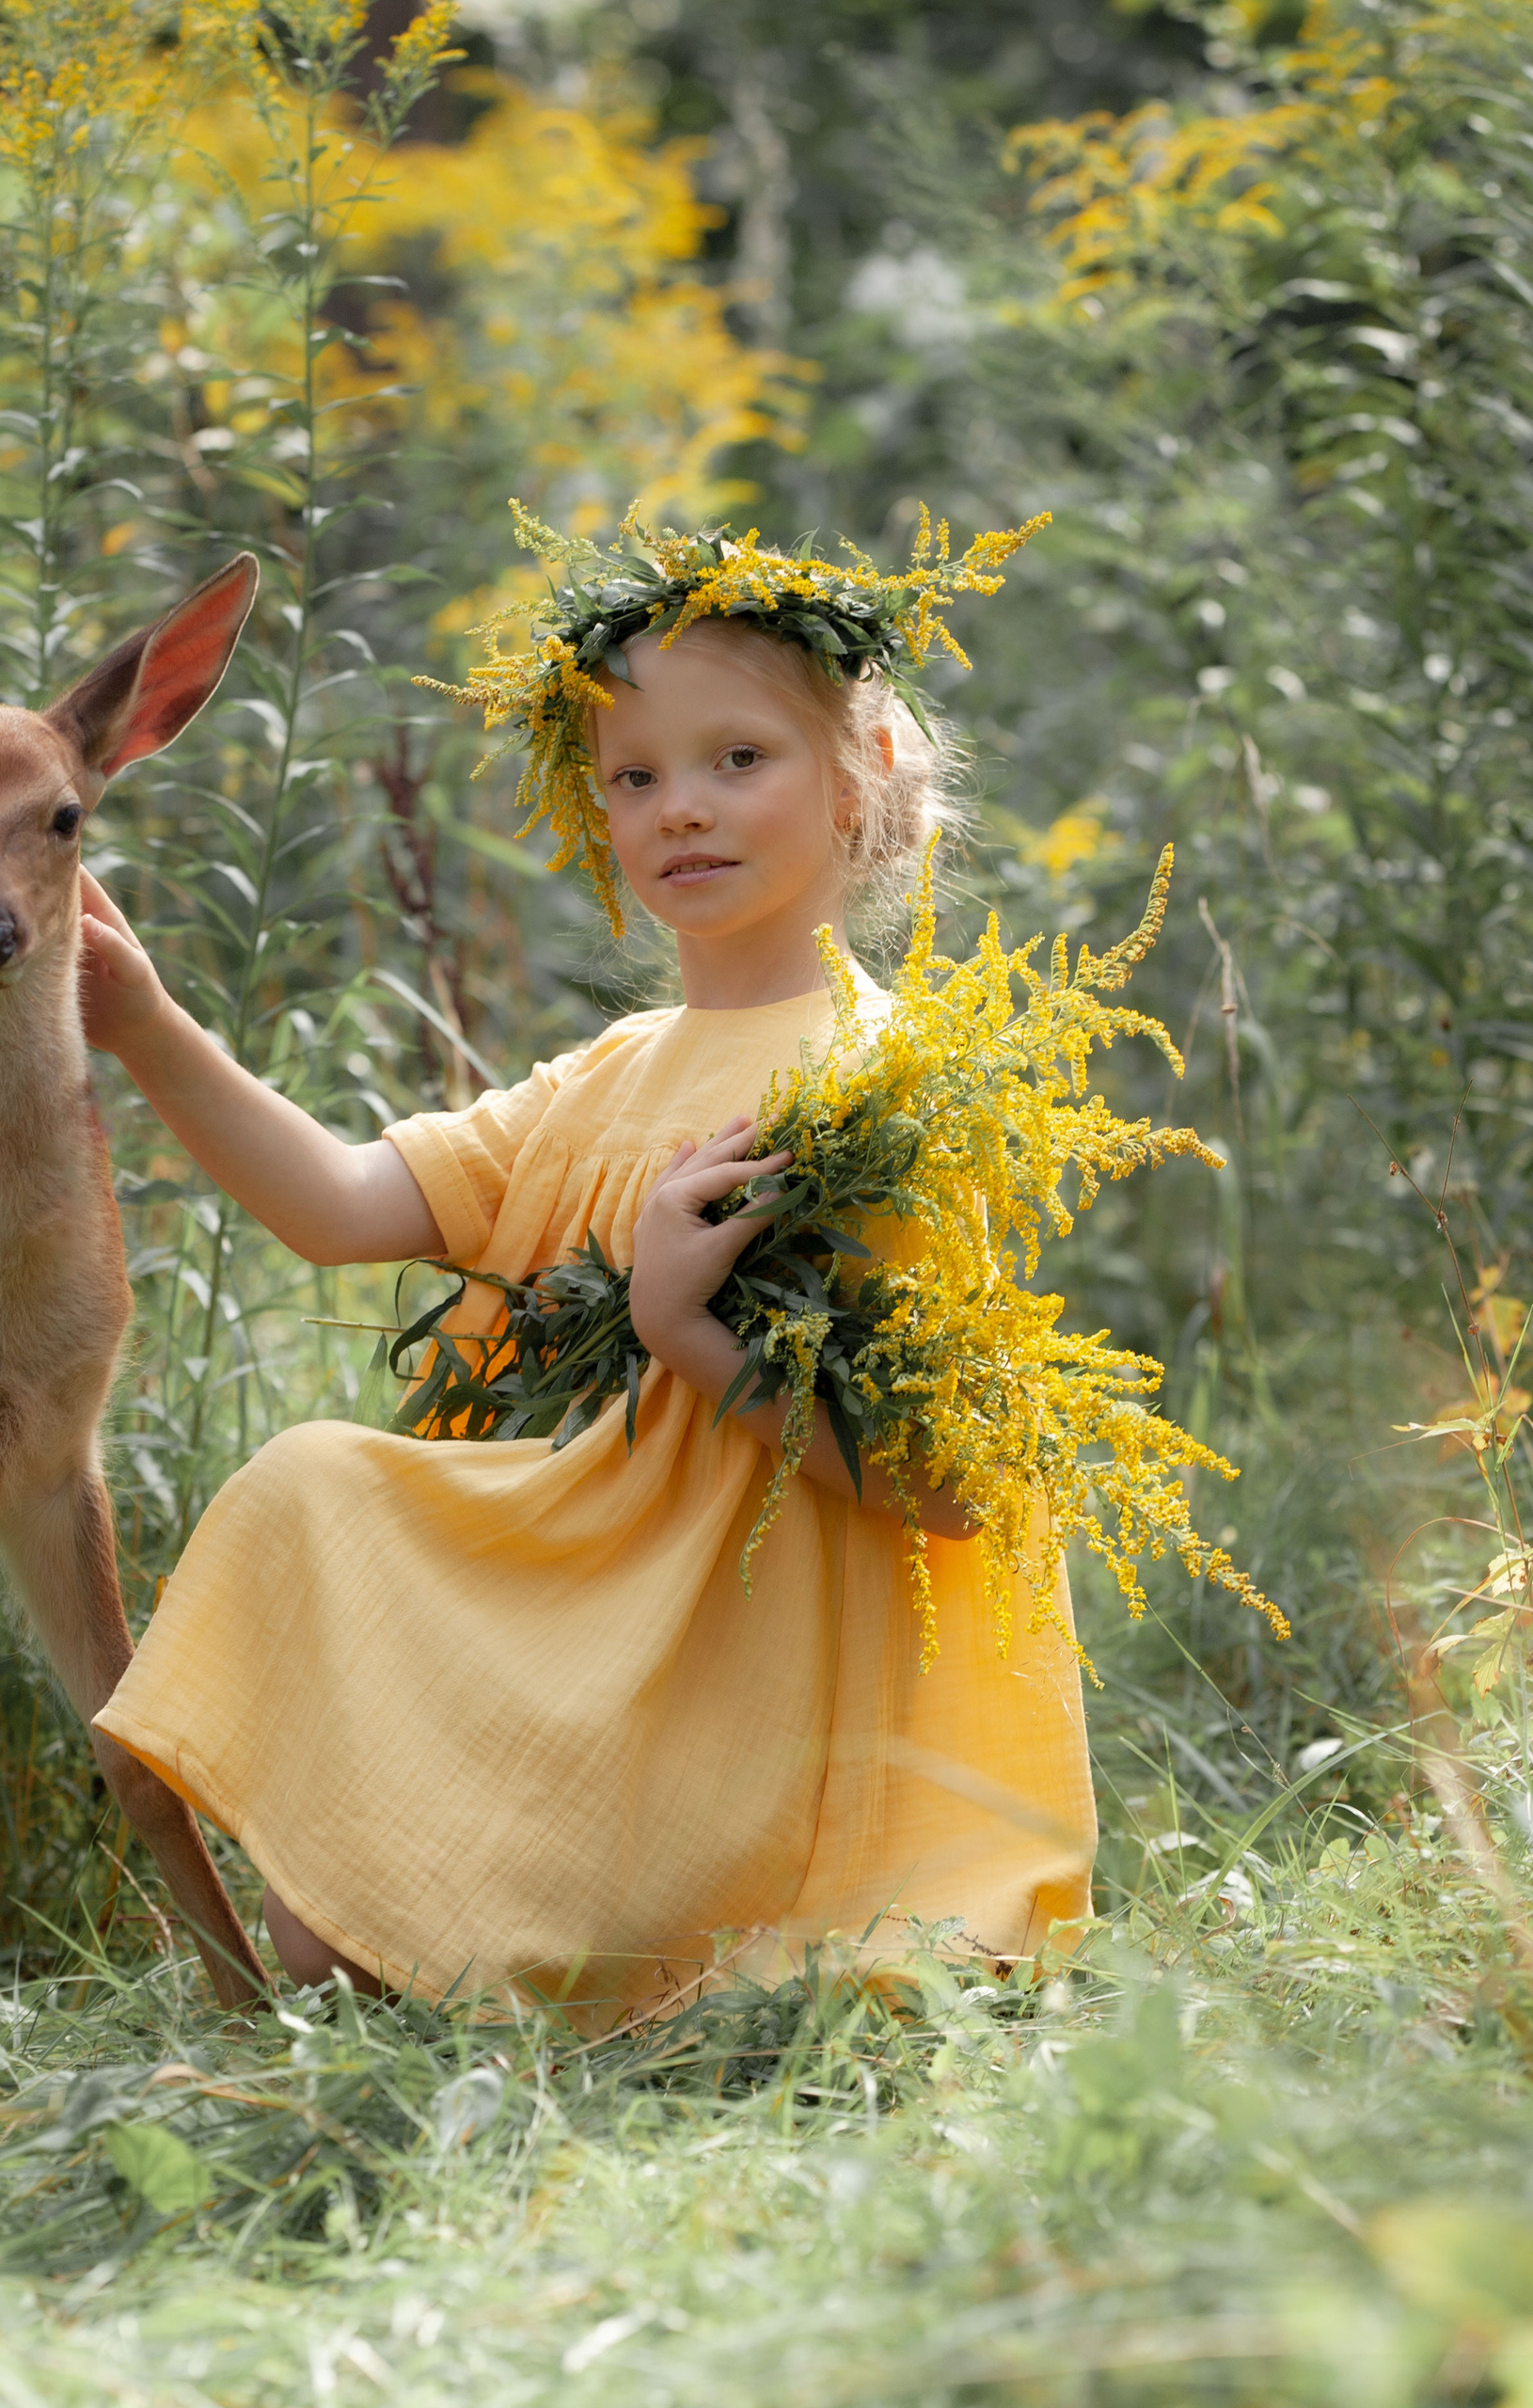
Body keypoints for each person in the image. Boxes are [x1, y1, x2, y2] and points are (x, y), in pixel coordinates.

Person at [78, 510, 1097, 2024]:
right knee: (309, 1489)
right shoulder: (614, 1075)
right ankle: (450, 1902)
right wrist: (145, 1020)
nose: (680, 806)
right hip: (595, 1629)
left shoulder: (886, 1089)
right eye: (635, 777)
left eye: (737, 759)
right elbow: (345, 1203)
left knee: (354, 1946)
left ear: (862, 782)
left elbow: (951, 1490)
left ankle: (570, 1914)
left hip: (752, 1714)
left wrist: (686, 1328)